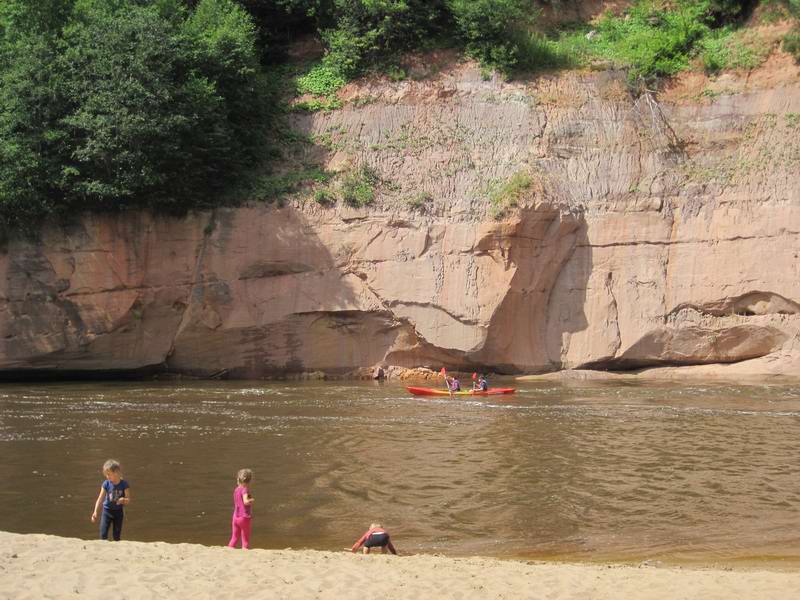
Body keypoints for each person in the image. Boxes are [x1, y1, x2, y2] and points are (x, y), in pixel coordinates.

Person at [90, 459, 131, 541]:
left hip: (118, 512)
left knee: (116, 536)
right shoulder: (106, 483)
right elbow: (100, 498)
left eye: (109, 474)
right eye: (106, 475)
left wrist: (123, 500)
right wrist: (95, 512)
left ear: (116, 472)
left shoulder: (124, 484)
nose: (107, 477)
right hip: (107, 511)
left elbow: (128, 499)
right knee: (103, 534)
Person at [227, 468, 255, 549]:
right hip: (244, 517)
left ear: (238, 479)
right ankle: (245, 551)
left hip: (235, 516)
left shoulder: (236, 490)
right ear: (250, 480)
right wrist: (252, 500)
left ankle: (229, 550)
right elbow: (246, 501)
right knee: (245, 539)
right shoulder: (245, 490)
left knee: (234, 537)